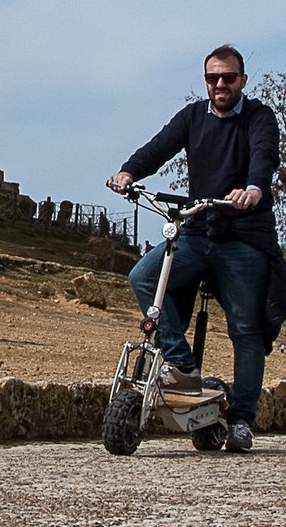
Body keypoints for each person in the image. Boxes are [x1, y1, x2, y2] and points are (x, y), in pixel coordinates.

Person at [107, 44, 281, 453]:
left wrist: (253, 189)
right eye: (212, 78)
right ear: (205, 81)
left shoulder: (259, 117)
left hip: (243, 235)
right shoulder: (192, 117)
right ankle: (183, 365)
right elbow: (160, 146)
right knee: (144, 277)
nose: (220, 84)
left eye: (228, 78)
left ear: (242, 80)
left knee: (245, 329)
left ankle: (241, 421)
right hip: (198, 229)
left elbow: (264, 155)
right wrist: (129, 171)